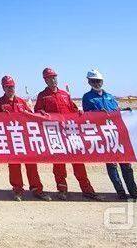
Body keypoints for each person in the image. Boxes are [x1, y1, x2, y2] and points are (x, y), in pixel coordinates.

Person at [35, 67, 100, 201]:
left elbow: (73, 109)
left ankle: (87, 189)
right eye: (49, 78)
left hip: (70, 134)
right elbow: (37, 112)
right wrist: (40, 113)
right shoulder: (42, 96)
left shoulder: (65, 94)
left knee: (78, 162)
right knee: (59, 164)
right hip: (56, 135)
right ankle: (62, 189)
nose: (52, 80)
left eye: (54, 77)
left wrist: (79, 113)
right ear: (45, 80)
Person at [82, 69, 137, 200]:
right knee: (112, 166)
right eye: (94, 81)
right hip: (104, 136)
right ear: (89, 82)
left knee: (126, 165)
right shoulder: (87, 97)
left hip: (117, 134)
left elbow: (116, 111)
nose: (97, 83)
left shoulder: (109, 96)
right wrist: (97, 113)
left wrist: (125, 111)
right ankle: (121, 192)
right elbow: (87, 115)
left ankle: (134, 192)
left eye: (99, 81)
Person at [0, 76, 51, 201]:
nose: (10, 89)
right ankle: (17, 190)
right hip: (10, 139)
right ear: (3, 88)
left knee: (31, 164)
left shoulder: (21, 102)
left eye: (12, 86)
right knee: (14, 165)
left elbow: (31, 116)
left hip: (24, 139)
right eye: (7, 87)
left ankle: (37, 189)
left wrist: (40, 114)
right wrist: (1, 116)